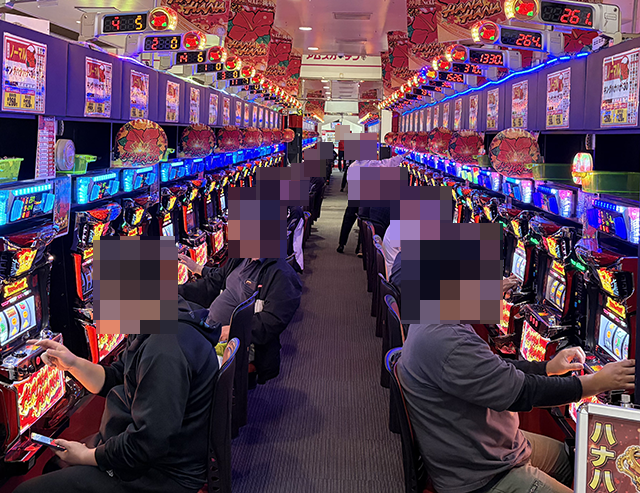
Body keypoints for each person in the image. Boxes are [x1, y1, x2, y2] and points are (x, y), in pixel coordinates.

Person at [397, 279, 635, 493]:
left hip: (488, 444)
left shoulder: (436, 316)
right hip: (483, 474)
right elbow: (523, 393)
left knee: (574, 460)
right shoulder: (445, 339)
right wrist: (596, 383)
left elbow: (493, 368)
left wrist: (547, 367)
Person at [14, 296, 221, 493]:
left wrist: (86, 456)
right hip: (148, 449)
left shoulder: (165, 349)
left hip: (162, 473)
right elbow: (118, 377)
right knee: (57, 464)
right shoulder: (161, 318)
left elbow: (146, 445)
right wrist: (73, 364)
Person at [178, 256, 302, 384]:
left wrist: (232, 330)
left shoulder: (282, 275)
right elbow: (213, 282)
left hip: (238, 347)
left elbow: (272, 322)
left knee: (180, 365)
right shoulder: (240, 259)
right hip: (211, 331)